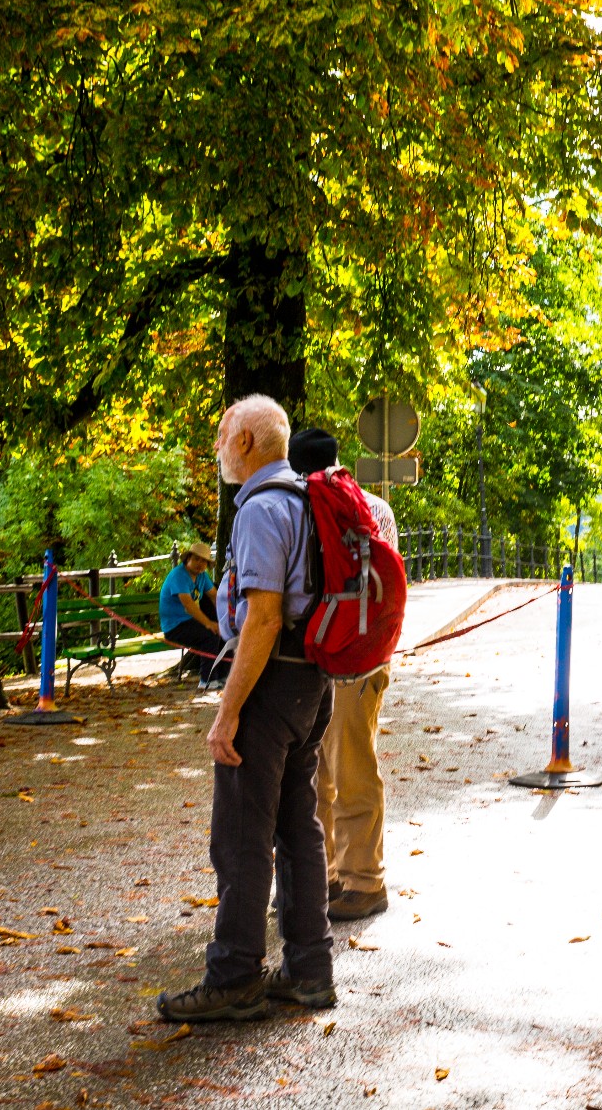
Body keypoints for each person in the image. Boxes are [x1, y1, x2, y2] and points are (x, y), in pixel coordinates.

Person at [158, 395, 334, 1023]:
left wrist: (227, 711)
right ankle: (310, 970)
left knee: (240, 838)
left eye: (223, 435)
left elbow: (261, 618)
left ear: (250, 444)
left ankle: (233, 977)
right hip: (312, 681)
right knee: (297, 829)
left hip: (269, 682)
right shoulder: (308, 500)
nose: (216, 447)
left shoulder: (262, 509)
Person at [288, 426, 395, 923]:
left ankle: (358, 882)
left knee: (329, 773)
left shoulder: (307, 505)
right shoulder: (373, 507)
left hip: (323, 652)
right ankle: (343, 876)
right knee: (347, 765)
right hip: (365, 657)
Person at [159, 541, 224, 686]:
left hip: (189, 622)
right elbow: (188, 605)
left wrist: (226, 619)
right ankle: (207, 680)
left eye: (204, 561)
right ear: (188, 558)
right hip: (174, 627)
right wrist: (209, 624)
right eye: (196, 559)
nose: (199, 564)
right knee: (209, 636)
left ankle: (222, 676)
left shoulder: (202, 576)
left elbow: (214, 596)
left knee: (224, 631)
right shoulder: (179, 575)